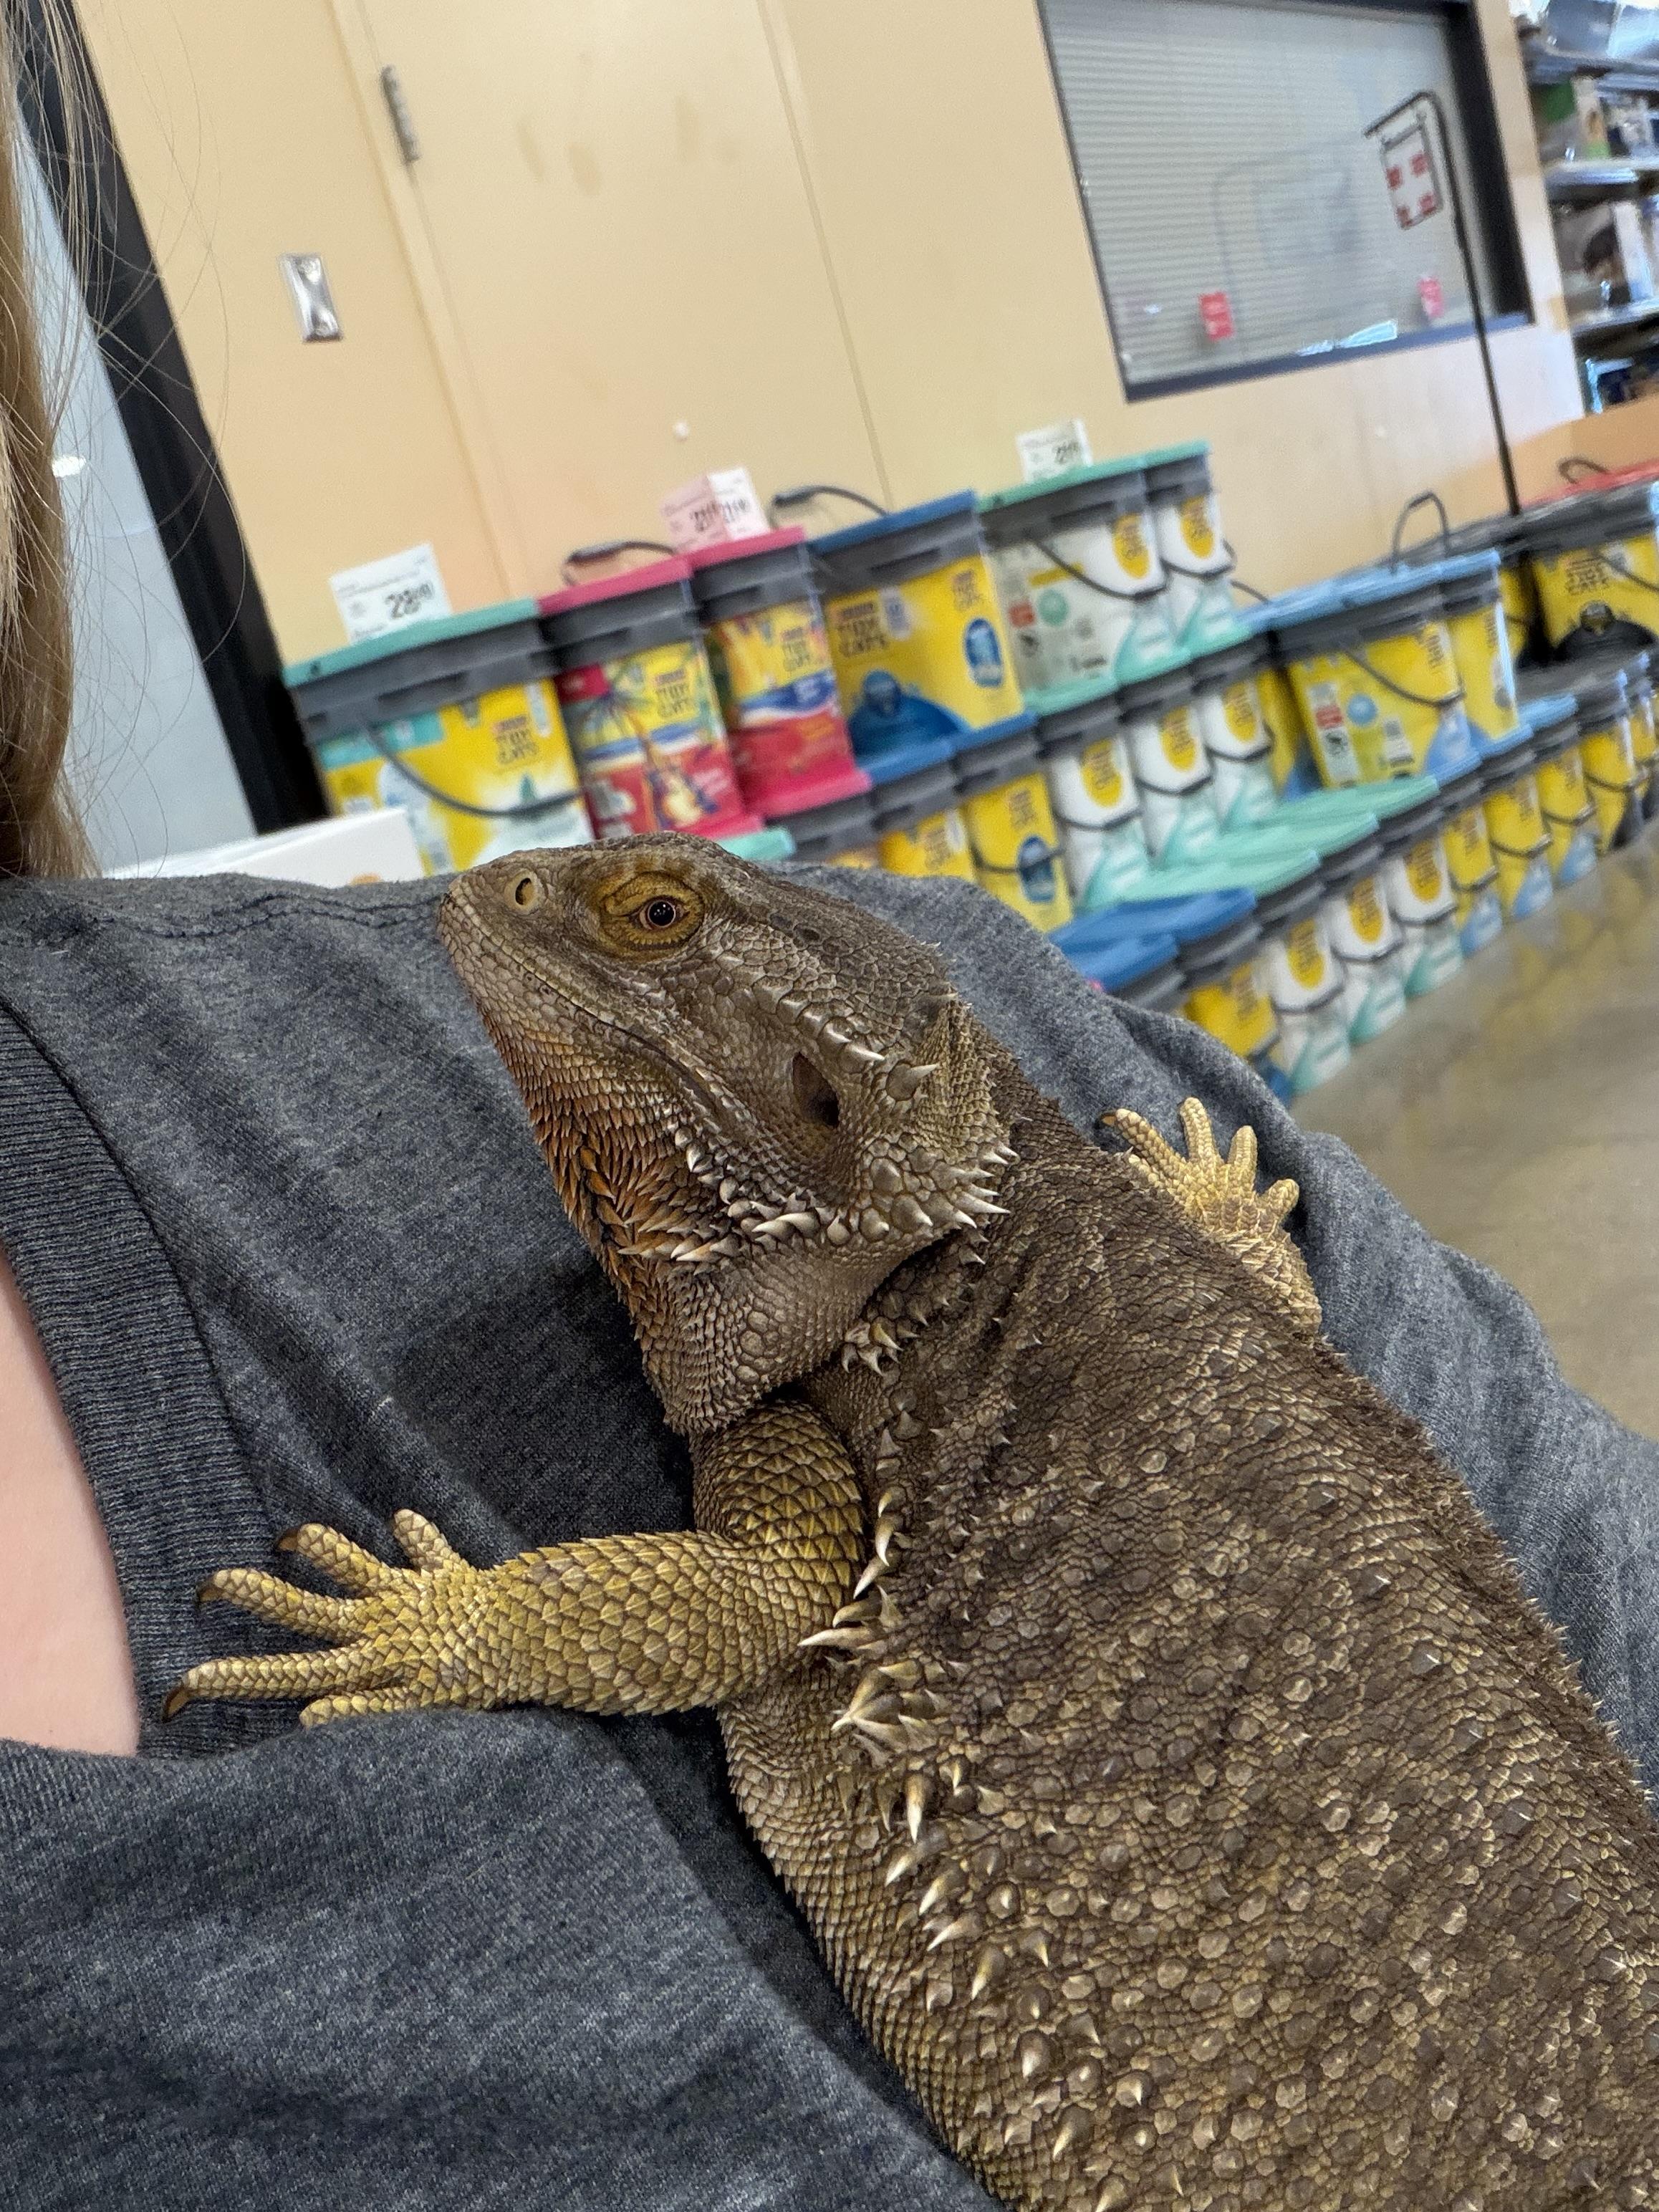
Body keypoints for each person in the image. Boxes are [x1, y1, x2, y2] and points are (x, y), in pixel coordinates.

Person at [5, 39, 1659, 2212]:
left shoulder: (933, 1289)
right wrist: (1222, 1227)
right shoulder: (1093, 1244)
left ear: (808, 1097)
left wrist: (468, 1634)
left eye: (651, 926)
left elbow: (758, 1595)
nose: (515, 915)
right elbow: (1226, 1333)